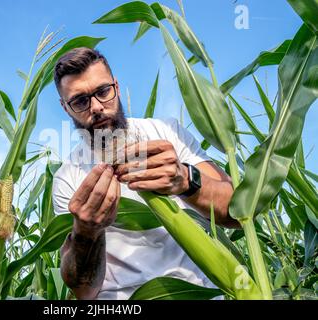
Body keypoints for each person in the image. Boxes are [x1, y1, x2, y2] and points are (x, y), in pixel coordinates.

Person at [51, 47, 239, 300]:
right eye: (80, 101)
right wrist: (86, 232)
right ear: (66, 108)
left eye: (103, 91)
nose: (96, 107)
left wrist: (185, 180)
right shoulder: (67, 178)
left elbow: (237, 215)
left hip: (195, 293)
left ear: (116, 87)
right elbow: (85, 291)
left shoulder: (167, 132)